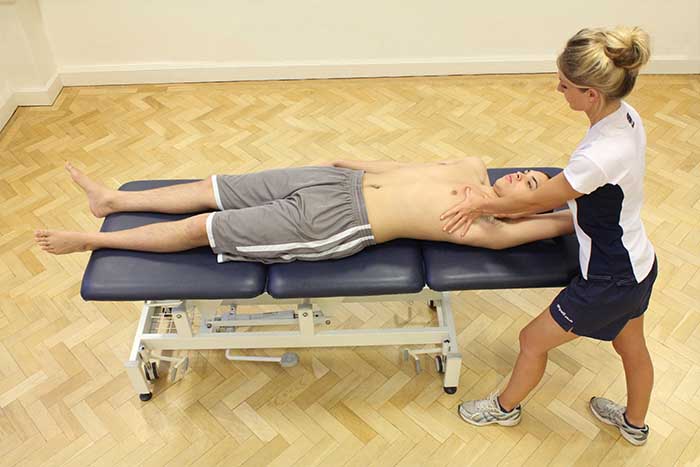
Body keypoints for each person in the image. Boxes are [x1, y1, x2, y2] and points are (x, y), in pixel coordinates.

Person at [449, 27, 657, 446]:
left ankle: (504, 409)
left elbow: (533, 202)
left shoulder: (599, 156)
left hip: (609, 280)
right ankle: (634, 426)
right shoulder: (623, 115)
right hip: (640, 263)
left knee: (531, 340)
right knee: (631, 347)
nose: (558, 90)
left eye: (564, 85)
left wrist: (479, 206)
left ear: (591, 94)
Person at [35, 158, 572, 261]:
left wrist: (575, 214)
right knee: (212, 186)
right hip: (337, 180)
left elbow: (551, 219)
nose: (523, 176)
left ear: (526, 210)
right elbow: (406, 166)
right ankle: (114, 200)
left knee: (205, 228)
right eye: (528, 171)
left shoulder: (484, 226)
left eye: (533, 185)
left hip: (336, 224)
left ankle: (92, 240)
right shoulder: (472, 167)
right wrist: (351, 163)